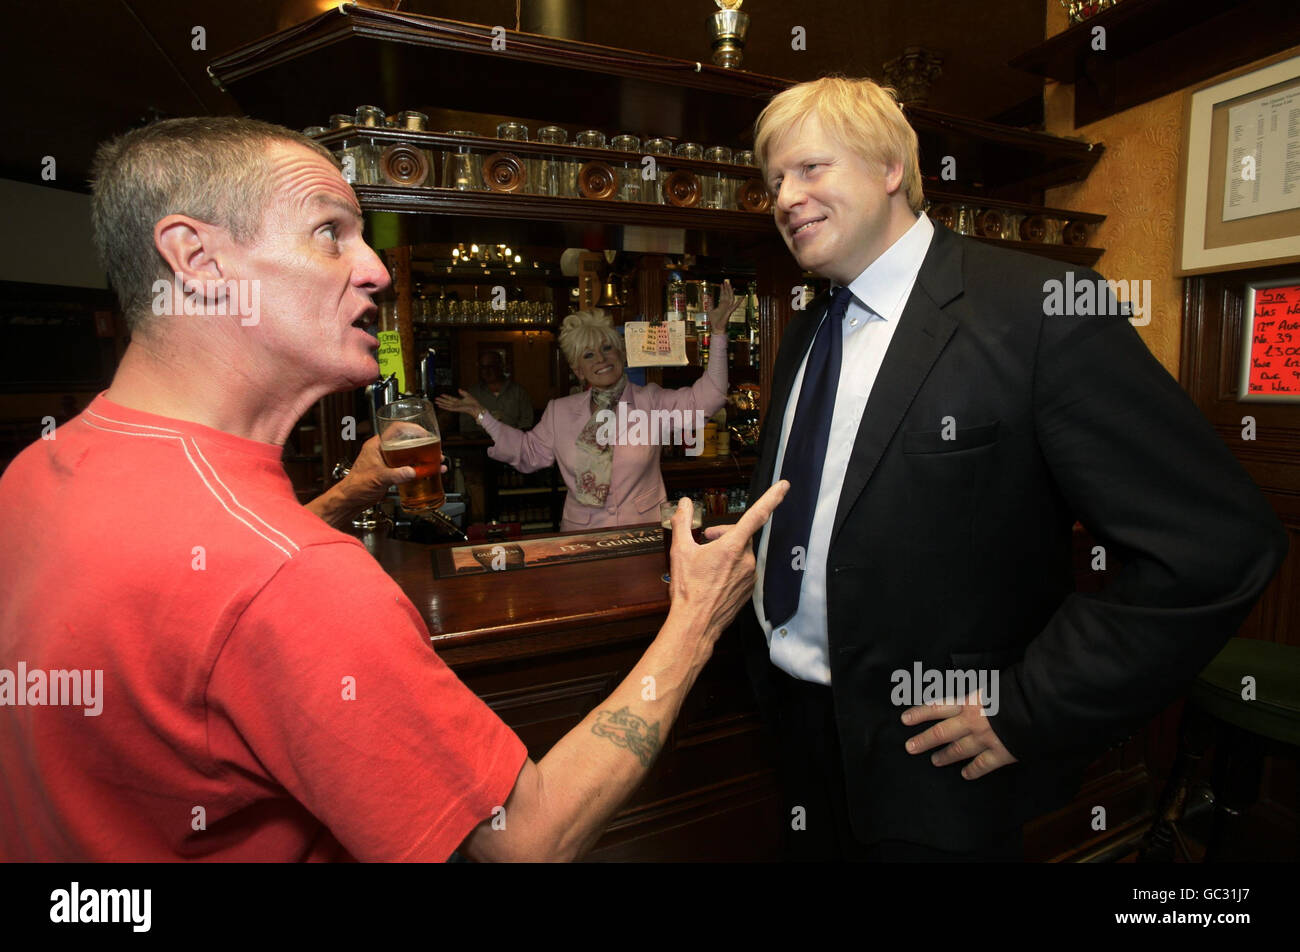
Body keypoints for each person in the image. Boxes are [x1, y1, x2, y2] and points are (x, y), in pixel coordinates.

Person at [0, 115, 788, 862]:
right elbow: (526, 838)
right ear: (199, 262)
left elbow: (198, 600)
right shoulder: (298, 580)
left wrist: (344, 495)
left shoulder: (38, 470)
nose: (376, 268)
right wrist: (697, 618)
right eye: (328, 232)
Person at [740, 76, 1288, 861]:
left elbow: (1219, 543)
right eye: (774, 182)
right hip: (799, 737)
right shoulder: (808, 330)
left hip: (938, 762)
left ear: (892, 165)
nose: (786, 197)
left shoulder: (1043, 309)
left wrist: (1030, 707)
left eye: (810, 168)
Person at [437, 297, 739, 531]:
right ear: (577, 369)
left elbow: (709, 397)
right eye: (589, 355)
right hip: (582, 537)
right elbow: (528, 453)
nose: (602, 360)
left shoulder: (652, 401)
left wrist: (719, 332)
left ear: (620, 353)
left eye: (607, 348)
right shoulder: (559, 412)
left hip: (643, 533)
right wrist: (482, 415)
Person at [459, 349, 534, 436]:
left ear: (501, 366)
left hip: (513, 444)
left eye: (491, 366)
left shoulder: (518, 392)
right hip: (481, 445)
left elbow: (527, 422)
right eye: (483, 367)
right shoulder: (472, 393)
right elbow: (466, 425)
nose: (486, 371)